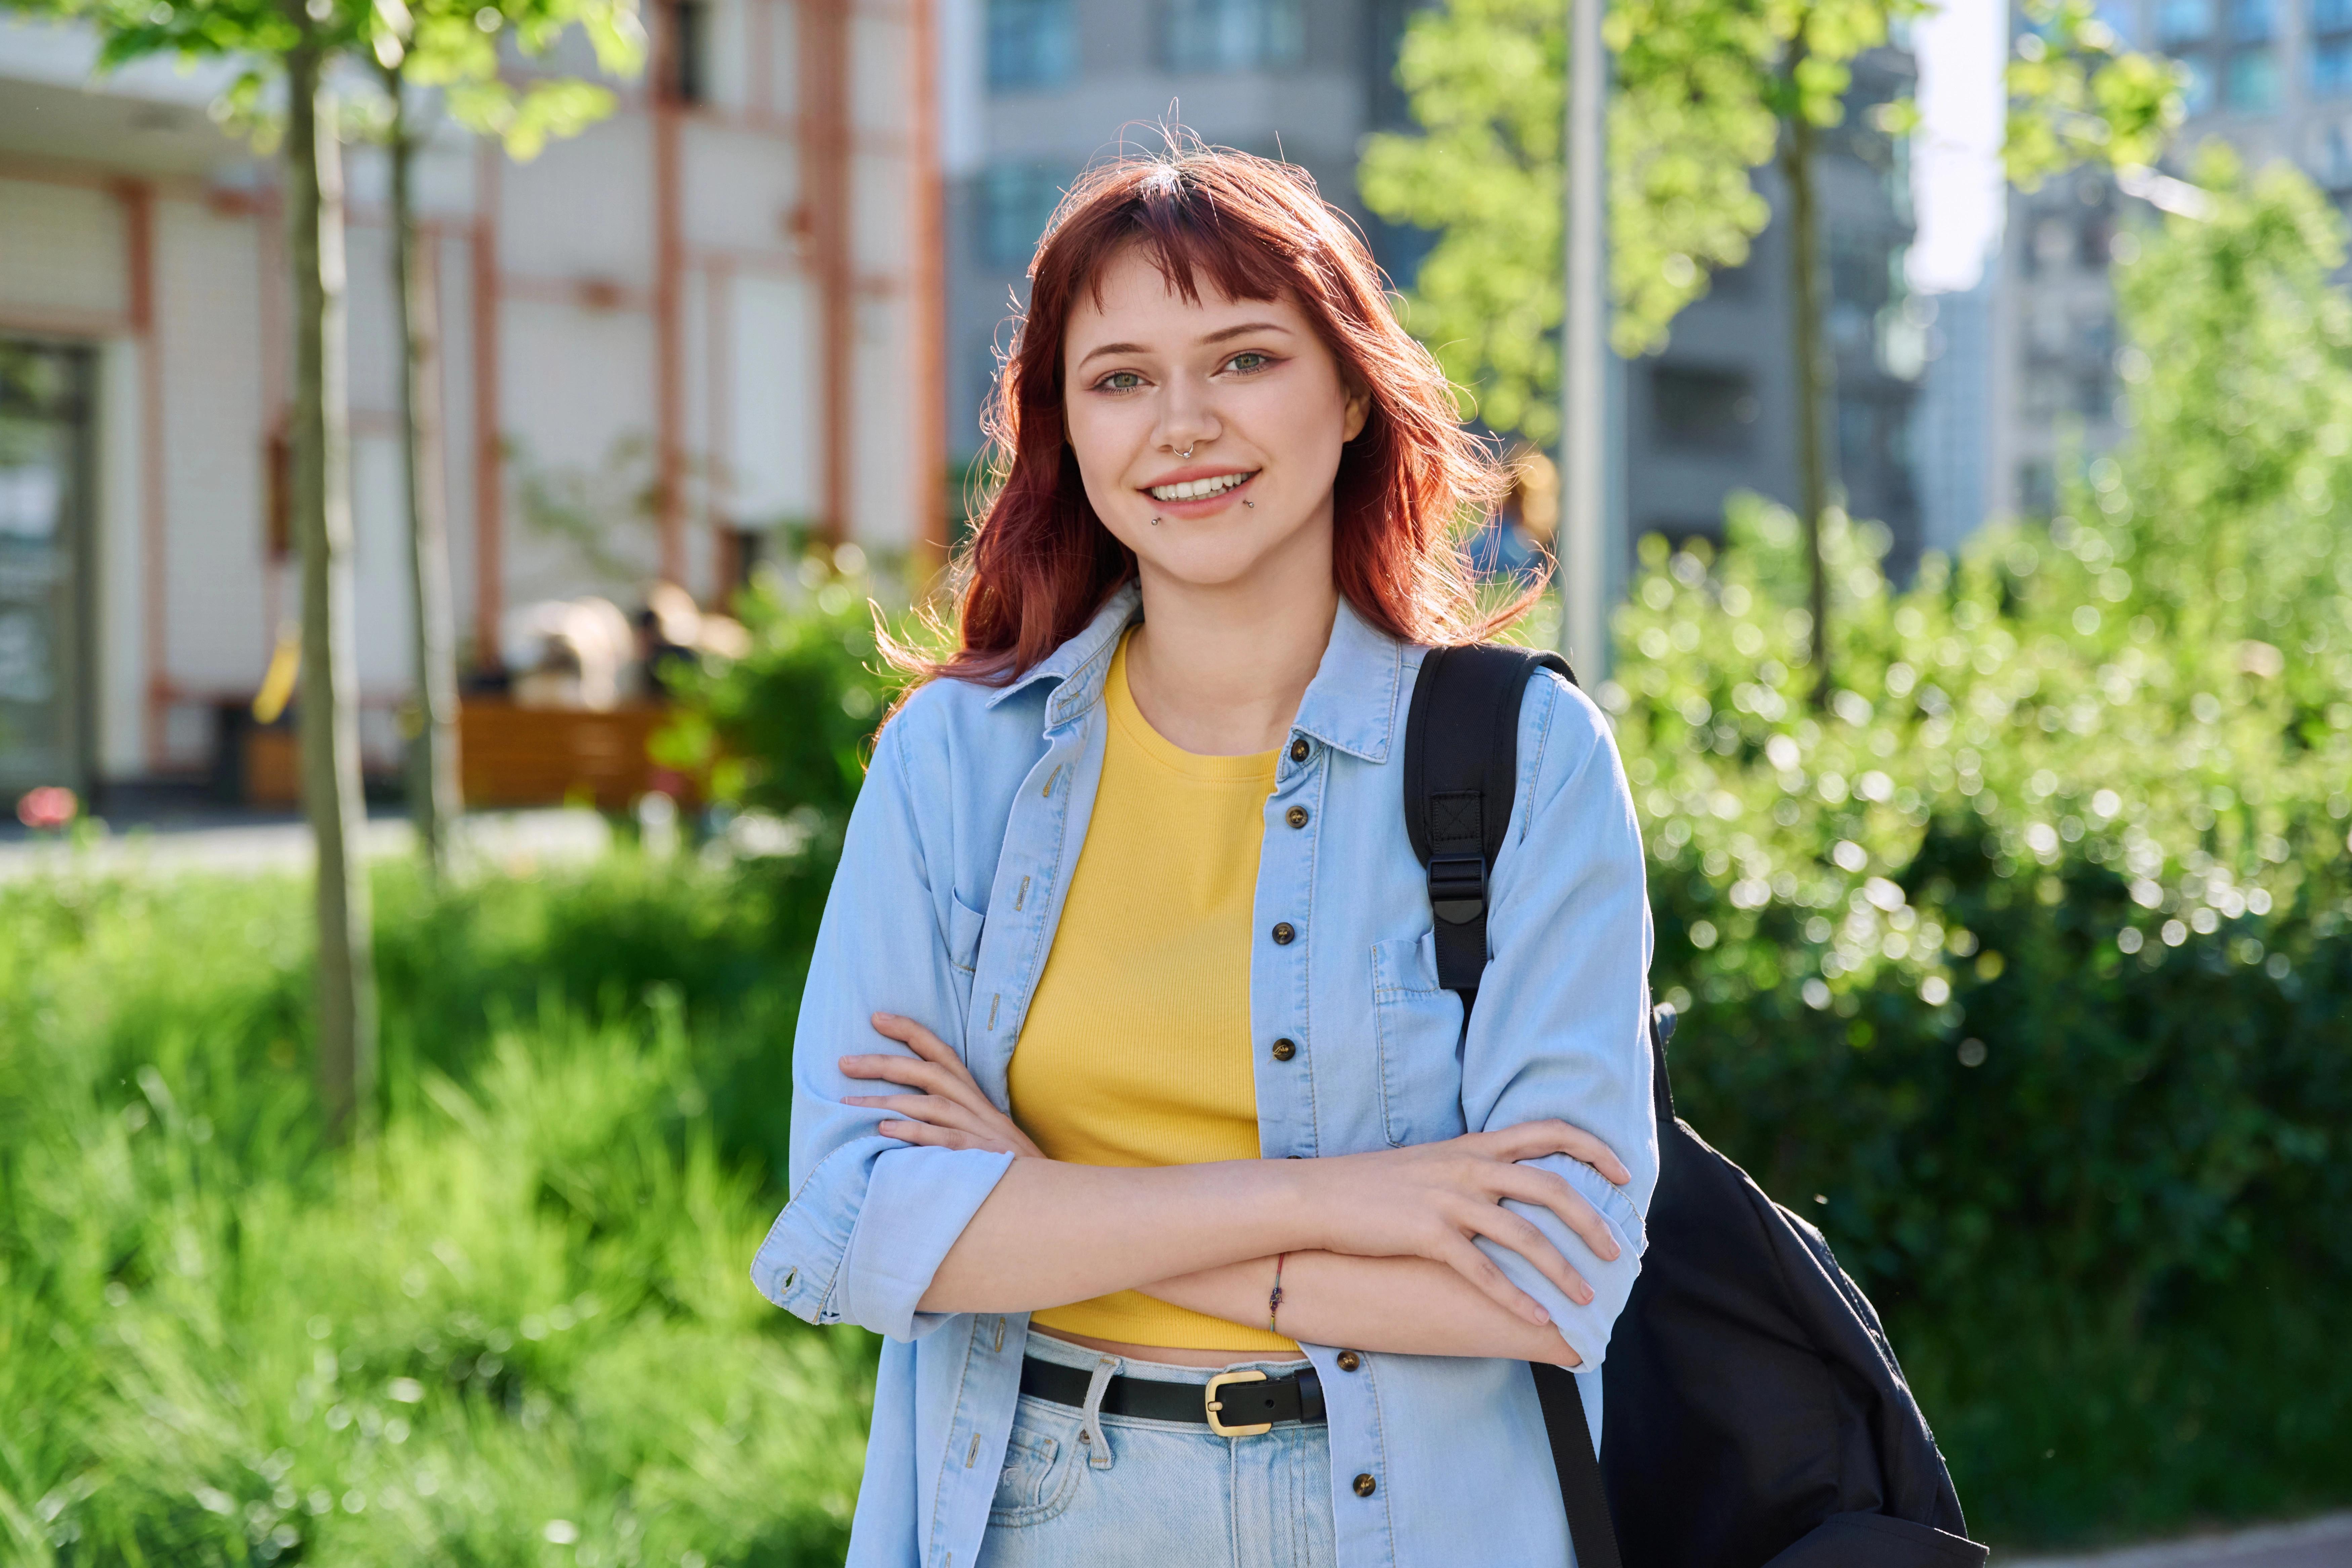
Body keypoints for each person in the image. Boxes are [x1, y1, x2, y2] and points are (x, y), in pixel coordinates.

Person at [752, 144, 1658, 1568]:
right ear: (1065, 425)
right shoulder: (958, 767)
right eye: (1118, 378)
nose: (1181, 425)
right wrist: (1334, 1202)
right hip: (1036, 1508)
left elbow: (1550, 1287)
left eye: (1243, 360)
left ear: (1353, 391)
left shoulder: (1522, 758)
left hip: (1415, 1520)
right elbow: (864, 1221)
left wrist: (1044, 1205)